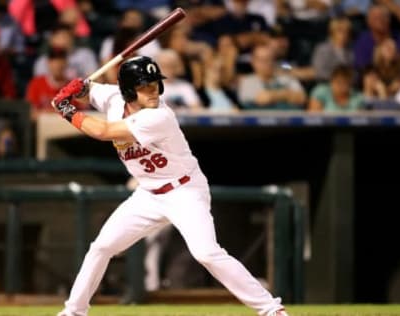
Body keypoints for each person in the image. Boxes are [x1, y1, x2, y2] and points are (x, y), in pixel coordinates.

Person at [51, 55, 289, 316]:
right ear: (129, 90)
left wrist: (67, 109)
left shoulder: (158, 116)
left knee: (206, 253)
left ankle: (271, 309)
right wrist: (79, 88)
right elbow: (90, 91)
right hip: (147, 194)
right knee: (101, 247)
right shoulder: (112, 97)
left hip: (184, 191)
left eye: (155, 84)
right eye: (145, 86)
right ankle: (73, 312)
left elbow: (103, 131)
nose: (154, 91)